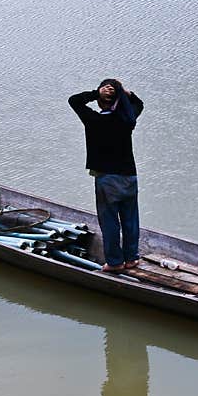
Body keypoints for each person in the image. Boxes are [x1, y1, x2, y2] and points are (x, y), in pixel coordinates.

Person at [68, 79, 144, 272]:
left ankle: (115, 262)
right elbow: (138, 104)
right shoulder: (127, 120)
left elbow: (74, 100)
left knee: (110, 222)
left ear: (102, 102)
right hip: (129, 177)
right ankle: (132, 259)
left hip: (107, 179)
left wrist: (96, 93)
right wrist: (126, 93)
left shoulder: (95, 120)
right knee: (130, 220)